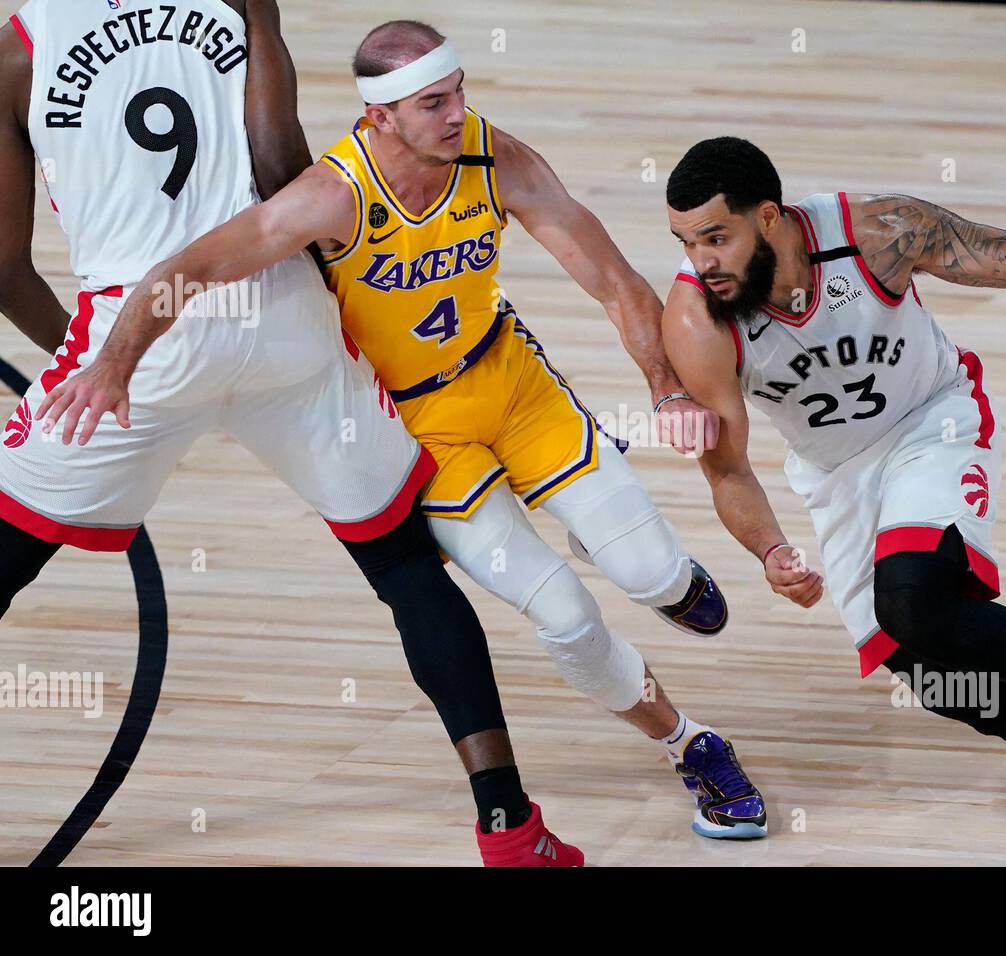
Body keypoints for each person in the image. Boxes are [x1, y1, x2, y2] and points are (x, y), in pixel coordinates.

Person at [39, 21, 767, 841]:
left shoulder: (498, 158)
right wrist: (113, 362)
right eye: (434, 103)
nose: (460, 113)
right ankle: (690, 743)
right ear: (381, 116)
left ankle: (629, 556)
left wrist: (665, 389)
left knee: (655, 572)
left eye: (459, 93)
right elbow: (187, 270)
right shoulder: (331, 195)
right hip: (422, 432)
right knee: (563, 618)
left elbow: (616, 283)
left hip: (513, 386)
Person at [2, 0, 578, 867]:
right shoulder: (234, 2)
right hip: (281, 314)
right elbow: (280, 171)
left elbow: (5, 268)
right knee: (403, 566)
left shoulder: (16, 51)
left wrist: (98, 367)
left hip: (139, 329)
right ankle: (508, 823)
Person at [658, 136, 1006, 855]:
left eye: (717, 237)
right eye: (687, 242)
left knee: (913, 600)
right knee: (955, 689)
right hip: (838, 478)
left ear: (769, 218)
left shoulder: (875, 232)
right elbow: (729, 469)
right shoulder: (698, 320)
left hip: (932, 422)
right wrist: (770, 548)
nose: (701, 261)